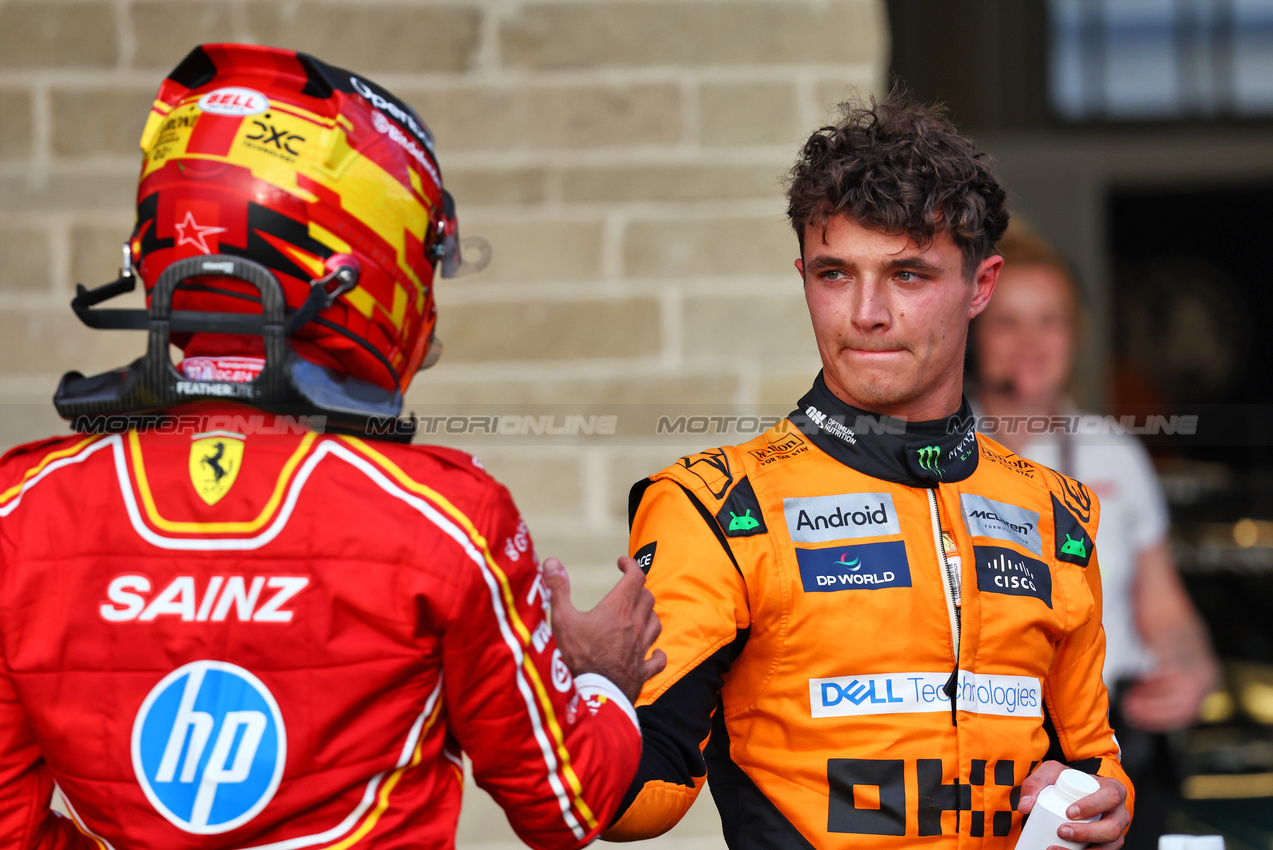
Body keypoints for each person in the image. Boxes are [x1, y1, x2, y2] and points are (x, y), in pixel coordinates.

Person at [0, 43, 663, 849]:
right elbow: (564, 807)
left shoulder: (20, 509)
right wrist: (601, 677)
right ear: (365, 260)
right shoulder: (444, 515)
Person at [603, 97, 1133, 848]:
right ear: (803, 277)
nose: (865, 313)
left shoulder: (1056, 511)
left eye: (908, 276)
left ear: (980, 285)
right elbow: (641, 797)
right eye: (833, 273)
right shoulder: (714, 505)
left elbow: (1088, 762)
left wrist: (1102, 806)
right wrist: (573, 694)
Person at [969, 222, 1218, 850]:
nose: (1030, 342)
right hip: (996, 746)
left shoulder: (1115, 454)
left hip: (1115, 742)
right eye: (1008, 322)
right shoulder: (940, 456)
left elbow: (1164, 610)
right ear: (973, 335)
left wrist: (1191, 667)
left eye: (1049, 321)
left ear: (1075, 336)